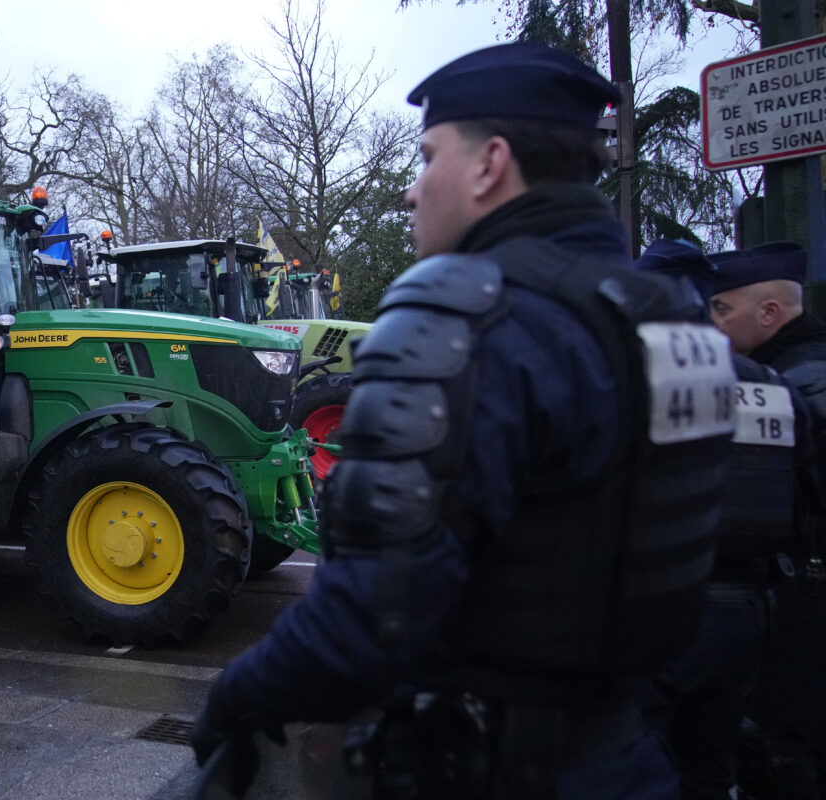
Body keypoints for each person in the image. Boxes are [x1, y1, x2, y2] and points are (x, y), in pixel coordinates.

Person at [192, 42, 739, 799]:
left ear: (489, 166)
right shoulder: (671, 319)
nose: (413, 192)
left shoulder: (463, 322)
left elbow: (367, 621)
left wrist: (237, 696)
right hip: (630, 755)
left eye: (428, 157)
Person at [632, 239, 817, 800]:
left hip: (658, 610)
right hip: (747, 616)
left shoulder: (630, 376)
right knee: (710, 773)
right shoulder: (774, 385)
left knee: (634, 769)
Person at [709, 243, 826, 799]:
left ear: (770, 313)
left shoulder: (801, 381)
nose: (711, 324)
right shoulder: (790, 373)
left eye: (721, 310)